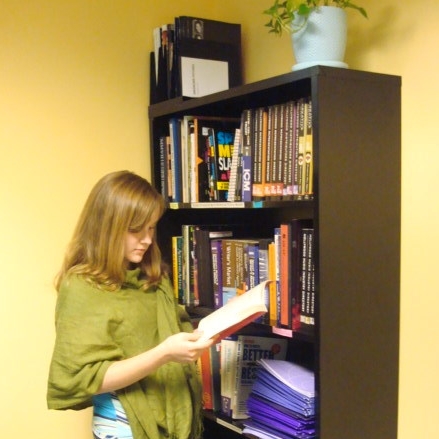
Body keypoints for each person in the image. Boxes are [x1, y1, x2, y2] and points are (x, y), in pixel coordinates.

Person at [47, 170, 214, 439]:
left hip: (176, 417)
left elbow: (173, 329)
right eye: (136, 229)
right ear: (107, 227)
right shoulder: (81, 286)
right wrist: (164, 354)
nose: (147, 239)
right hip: (125, 427)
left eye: (151, 227)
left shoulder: (153, 277)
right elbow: (85, 378)